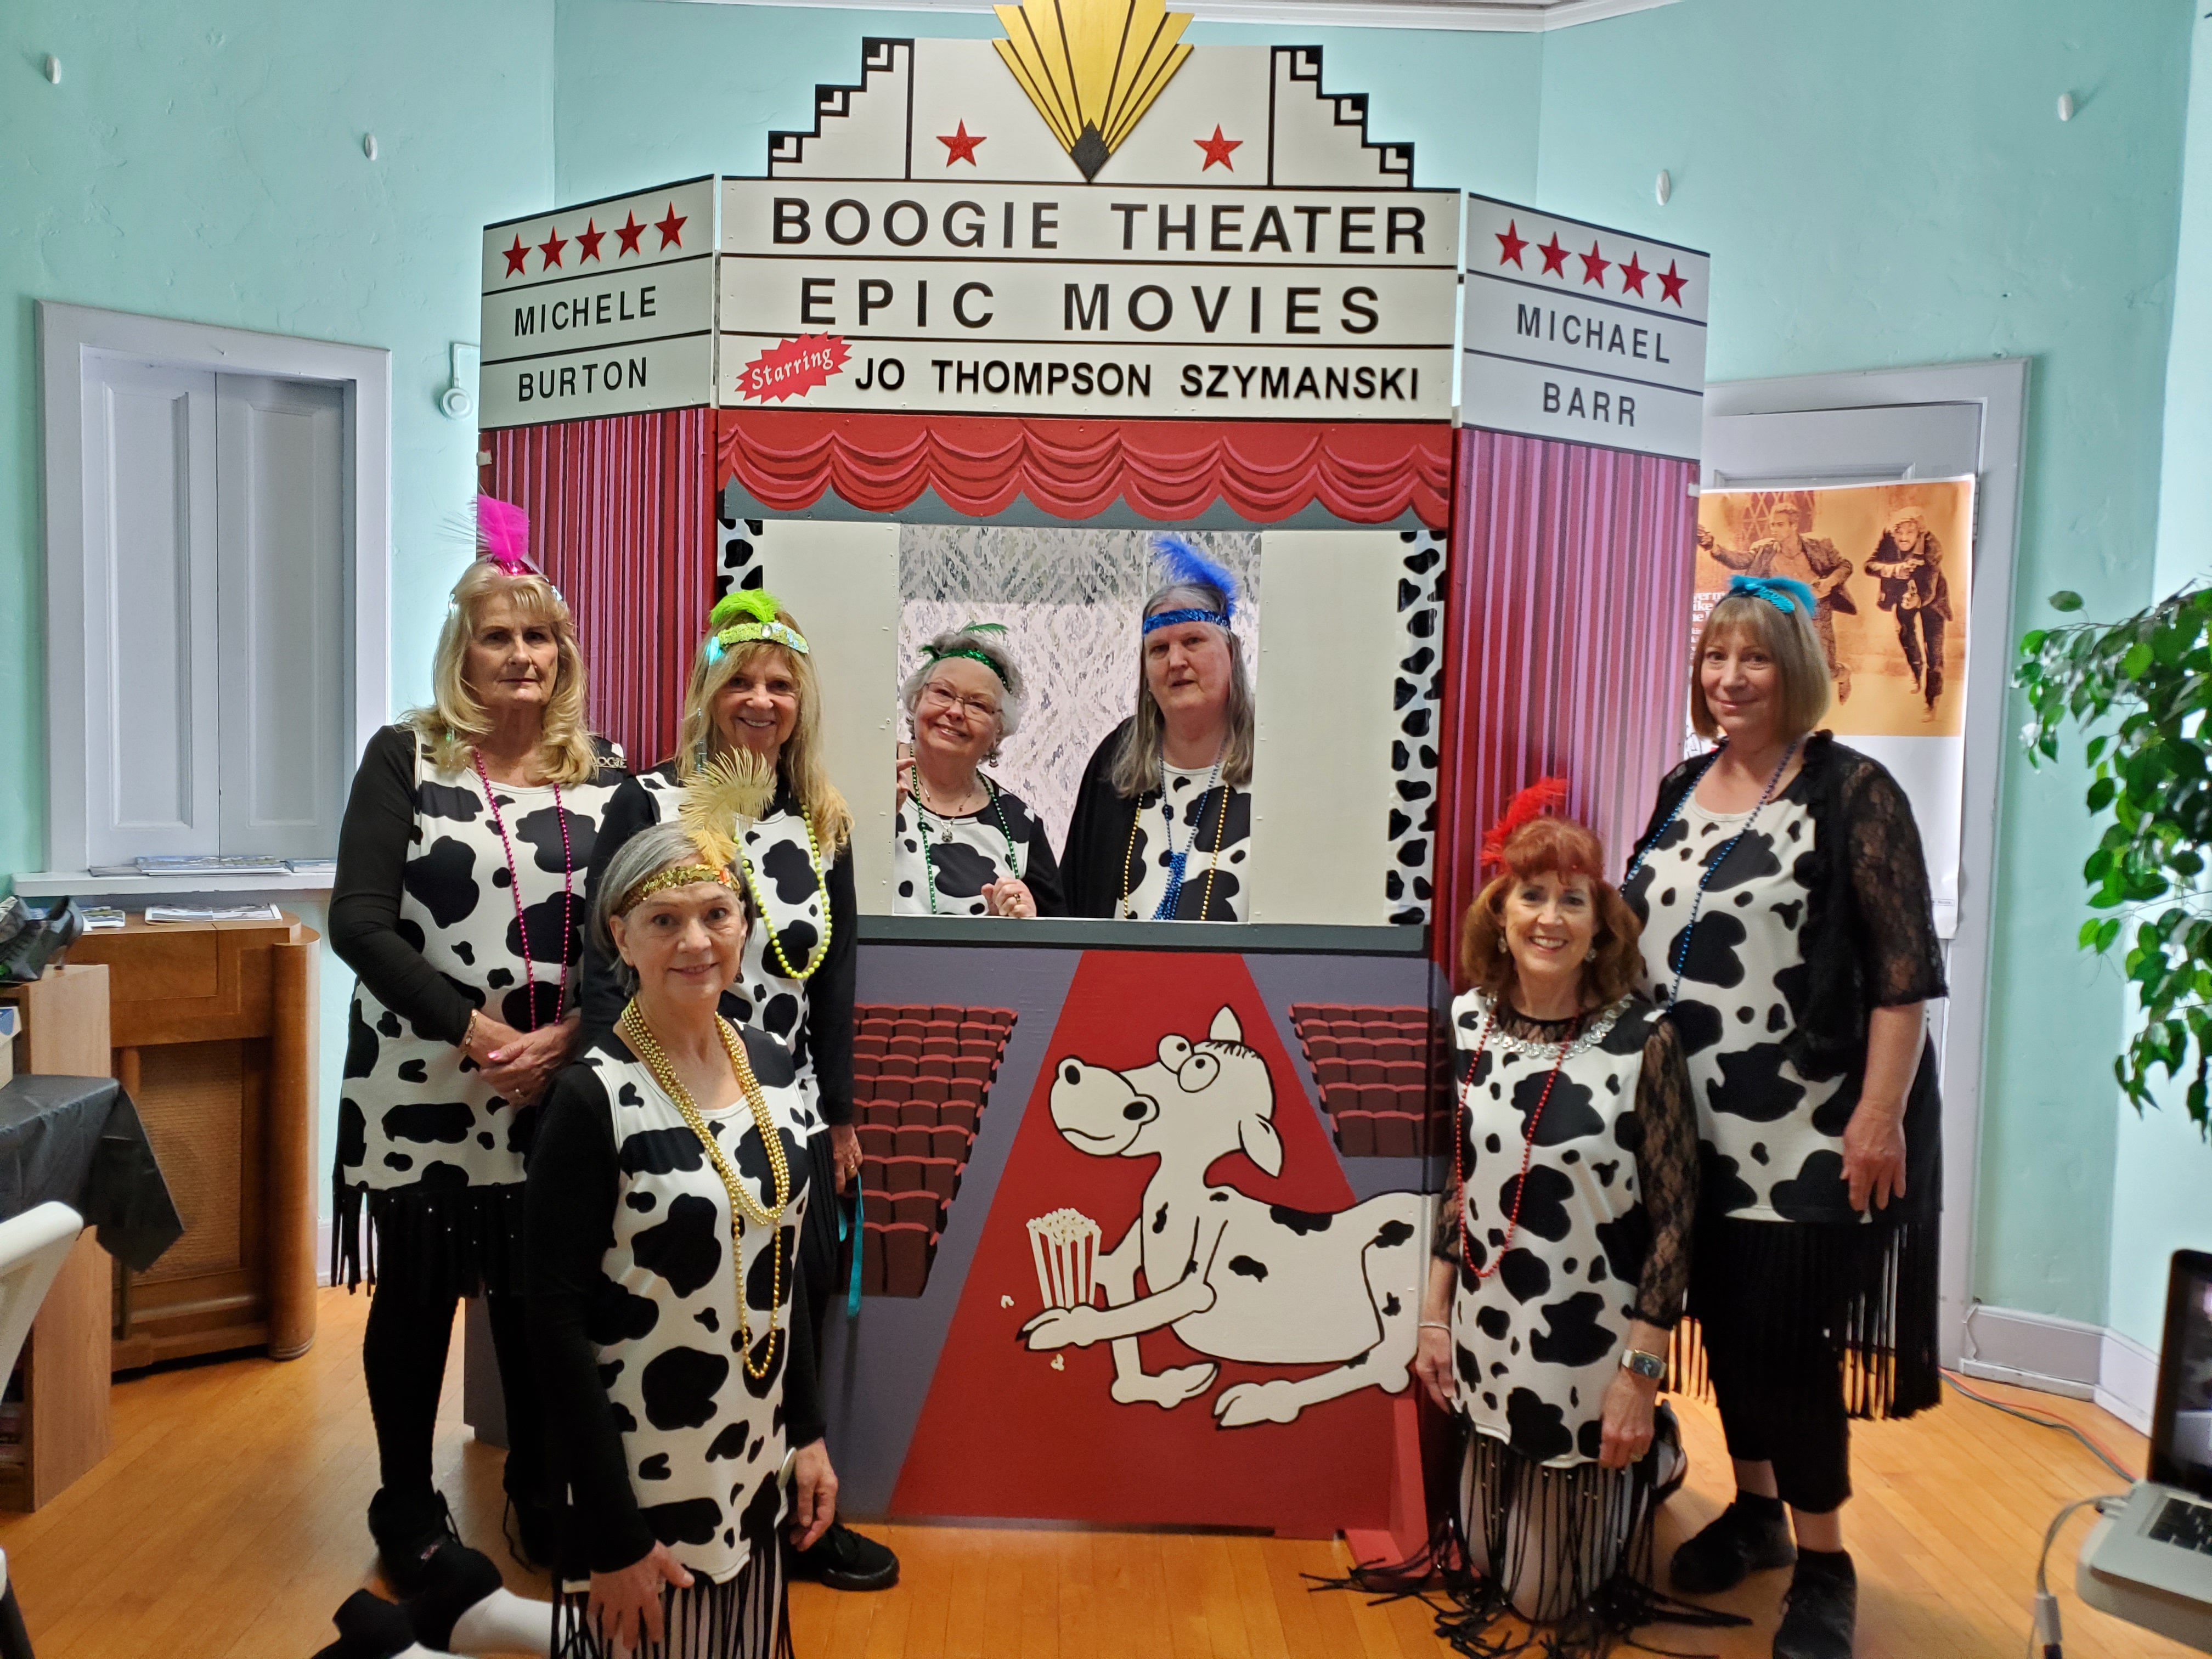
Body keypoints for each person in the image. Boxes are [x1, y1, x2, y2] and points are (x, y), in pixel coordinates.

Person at [1622, 573, 1946, 1659]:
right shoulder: (1681, 783)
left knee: (1784, 1339)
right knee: (1725, 1320)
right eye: (1715, 656)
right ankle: (1755, 1510)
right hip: (1690, 1133)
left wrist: (1879, 1117)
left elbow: (1903, 974)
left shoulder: (1852, 792)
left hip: (1810, 1129)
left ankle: (1825, 1562)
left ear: (1795, 668)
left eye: (1754, 656)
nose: (1729, 677)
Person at [328, 498, 627, 1587]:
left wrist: (566, 1041)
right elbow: (357, 921)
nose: (520, 655)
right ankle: (405, 1501)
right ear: (463, 650)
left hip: (560, 1087)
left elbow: (631, 931)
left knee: (545, 1301)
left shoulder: (610, 773)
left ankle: (540, 1488)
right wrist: (481, 1032)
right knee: (416, 1300)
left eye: (538, 634)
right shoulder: (406, 756)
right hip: (424, 1082)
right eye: (496, 635)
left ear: (564, 651)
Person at [582, 589, 896, 1593]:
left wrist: (839, 1114)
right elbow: (601, 962)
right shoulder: (647, 802)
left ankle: (797, 1518)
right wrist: (620, 1097)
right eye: (741, 682)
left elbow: (836, 978)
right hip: (667, 1103)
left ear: (801, 702)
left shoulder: (823, 819)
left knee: (789, 1306)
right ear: (708, 692)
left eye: (780, 684)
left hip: (782, 1109)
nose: (760, 700)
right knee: (674, 1306)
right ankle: (649, 1518)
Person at [1411, 782, 1710, 1651]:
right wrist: (1434, 1317)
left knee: (1542, 1601)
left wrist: (1640, 1376)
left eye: (1572, 900)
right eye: (1531, 896)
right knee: (1481, 1559)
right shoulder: (1467, 1022)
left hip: (1590, 1348)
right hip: (1488, 1332)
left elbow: (1676, 1222)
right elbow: (1459, 1181)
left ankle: (1653, 1455)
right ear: (1499, 914)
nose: (1550, 918)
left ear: (1600, 923)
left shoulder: (1643, 1040)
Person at [1062, 538, 1254, 921]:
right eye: (1159, 649)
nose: (1176, 661)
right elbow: (1074, 897)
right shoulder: (1115, 757)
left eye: (1193, 641)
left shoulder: (1277, 755)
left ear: (1231, 654)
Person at [893, 625, 1064, 917]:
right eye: (943, 693)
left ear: (999, 730)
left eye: (978, 705)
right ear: (916, 701)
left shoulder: (1019, 824)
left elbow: (1056, 935)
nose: (956, 712)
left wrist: (1021, 922)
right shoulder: (868, 775)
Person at [1700, 498, 1857, 700]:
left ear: (1794, 525)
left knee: (1824, 670)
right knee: (1778, 663)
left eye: (1780, 525)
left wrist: (1830, 581)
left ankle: (1844, 674)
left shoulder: (1819, 545)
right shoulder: (1765, 549)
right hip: (1782, 610)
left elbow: (1845, 566)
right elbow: (1740, 561)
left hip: (1817, 609)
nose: (1774, 529)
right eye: (1772, 524)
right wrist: (1713, 547)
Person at [1865, 507, 1950, 722]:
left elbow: (1930, 584)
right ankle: (1916, 672)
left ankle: (1932, 701)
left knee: (1935, 652)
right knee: (1905, 633)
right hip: (1902, 592)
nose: (1903, 538)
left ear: (1919, 533)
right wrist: (1895, 570)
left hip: (1931, 598)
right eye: (1899, 532)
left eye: (1910, 532)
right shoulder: (1888, 538)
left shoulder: (1932, 547)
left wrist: (1919, 600)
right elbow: (1869, 565)